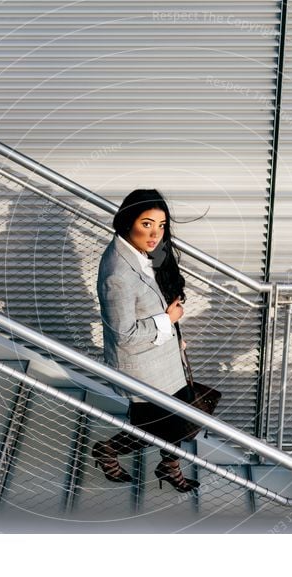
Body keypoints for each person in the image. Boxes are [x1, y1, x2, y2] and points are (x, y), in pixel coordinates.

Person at [91, 188, 199, 493]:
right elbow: (124, 334)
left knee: (177, 420)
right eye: (147, 223)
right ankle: (107, 451)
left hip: (161, 357)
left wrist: (172, 334)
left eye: (161, 225)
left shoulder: (142, 252)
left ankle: (169, 465)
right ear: (127, 221)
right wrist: (168, 322)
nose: (155, 233)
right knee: (151, 429)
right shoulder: (117, 274)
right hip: (144, 369)